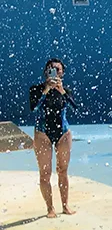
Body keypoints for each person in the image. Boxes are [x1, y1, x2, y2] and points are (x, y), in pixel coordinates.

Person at [29, 59, 77, 218]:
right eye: (52, 68)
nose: (55, 71)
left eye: (58, 69)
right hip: (42, 133)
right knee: (45, 173)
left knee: (62, 171)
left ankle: (65, 205)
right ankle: (50, 208)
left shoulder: (66, 91)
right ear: (46, 72)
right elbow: (34, 108)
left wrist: (61, 90)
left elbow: (75, 107)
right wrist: (46, 90)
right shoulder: (36, 89)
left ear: (62, 73)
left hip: (63, 132)